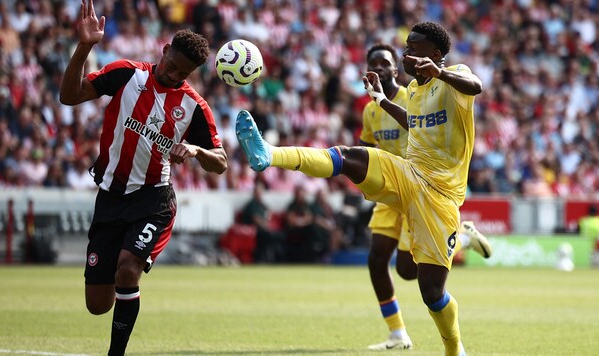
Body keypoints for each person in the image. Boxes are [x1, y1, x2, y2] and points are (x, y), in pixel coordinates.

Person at [236, 22, 480, 355]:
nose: (407, 53)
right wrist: (380, 100)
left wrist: (441, 72)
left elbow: (475, 85)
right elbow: (413, 123)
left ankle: (454, 348)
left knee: (429, 290)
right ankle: (269, 154)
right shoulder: (418, 93)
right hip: (408, 173)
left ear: (435, 54)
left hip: (440, 195)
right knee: (349, 156)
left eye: (414, 48)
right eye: (405, 47)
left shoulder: (452, 77)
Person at [59, 1, 227, 354]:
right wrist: (85, 46)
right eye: (170, 65)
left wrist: (197, 152)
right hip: (110, 197)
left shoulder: (194, 106)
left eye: (182, 73)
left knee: (128, 269)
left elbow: (221, 162)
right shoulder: (126, 74)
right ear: (164, 50)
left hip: (153, 200)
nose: (172, 74)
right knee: (97, 304)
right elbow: (69, 96)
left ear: (192, 73)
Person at [360, 43, 492, 350]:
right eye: (373, 63)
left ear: (395, 69)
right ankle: (396, 331)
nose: (379, 67)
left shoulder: (415, 93)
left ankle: (461, 238)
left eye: (385, 62)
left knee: (407, 270)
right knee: (376, 258)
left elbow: (428, 125)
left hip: (419, 186)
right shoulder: (369, 109)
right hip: (389, 184)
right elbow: (369, 145)